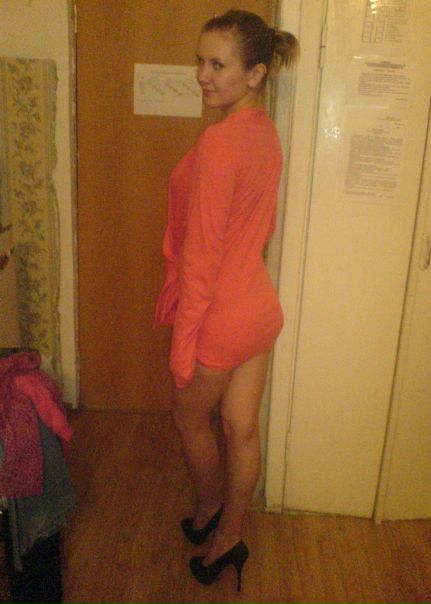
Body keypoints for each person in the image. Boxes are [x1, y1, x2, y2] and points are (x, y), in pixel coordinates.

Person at [154, 9, 298, 591]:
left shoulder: (219, 141)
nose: (202, 75)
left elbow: (202, 257)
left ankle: (212, 509)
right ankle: (229, 537)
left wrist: (182, 346)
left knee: (189, 418)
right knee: (241, 428)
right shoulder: (265, 132)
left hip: (221, 314)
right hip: (259, 308)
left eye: (218, 65)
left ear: (256, 73)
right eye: (200, 62)